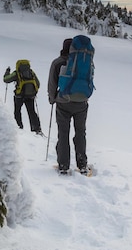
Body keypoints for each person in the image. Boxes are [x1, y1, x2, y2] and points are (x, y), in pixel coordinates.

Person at [48, 38, 89, 175]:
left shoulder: (58, 62)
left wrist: (52, 98)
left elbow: (52, 83)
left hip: (63, 102)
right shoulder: (84, 61)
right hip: (82, 102)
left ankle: (64, 165)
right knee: (80, 133)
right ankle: (82, 164)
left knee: (63, 133)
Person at [4, 60, 43, 135]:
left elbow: (6, 79)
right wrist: (34, 92)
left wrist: (7, 71)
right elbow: (38, 83)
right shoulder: (31, 72)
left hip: (19, 96)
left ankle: (19, 127)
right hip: (30, 96)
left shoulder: (17, 73)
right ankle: (36, 129)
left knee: (17, 111)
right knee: (31, 111)